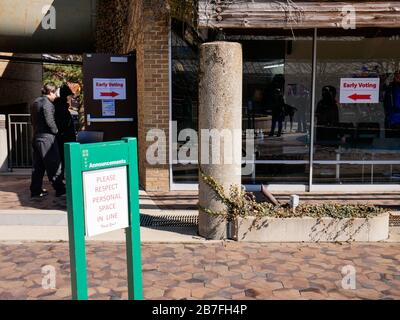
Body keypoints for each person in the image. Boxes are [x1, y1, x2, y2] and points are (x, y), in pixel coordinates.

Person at [30, 83, 66, 198]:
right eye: (55, 93)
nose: (56, 95)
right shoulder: (48, 104)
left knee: (38, 166)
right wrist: (56, 131)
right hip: (47, 138)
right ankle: (60, 189)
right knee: (54, 164)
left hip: (36, 137)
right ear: (51, 92)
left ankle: (35, 191)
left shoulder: (35, 102)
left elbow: (32, 120)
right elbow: (49, 120)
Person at [54, 83, 76, 179]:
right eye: (70, 96)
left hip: (62, 138)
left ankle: (62, 178)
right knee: (63, 160)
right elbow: (64, 124)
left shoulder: (58, 105)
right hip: (64, 138)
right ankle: (61, 180)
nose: (70, 98)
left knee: (62, 160)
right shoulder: (61, 107)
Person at [383, 70, 400, 138]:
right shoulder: (390, 87)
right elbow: (386, 103)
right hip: (392, 119)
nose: (398, 77)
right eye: (397, 75)